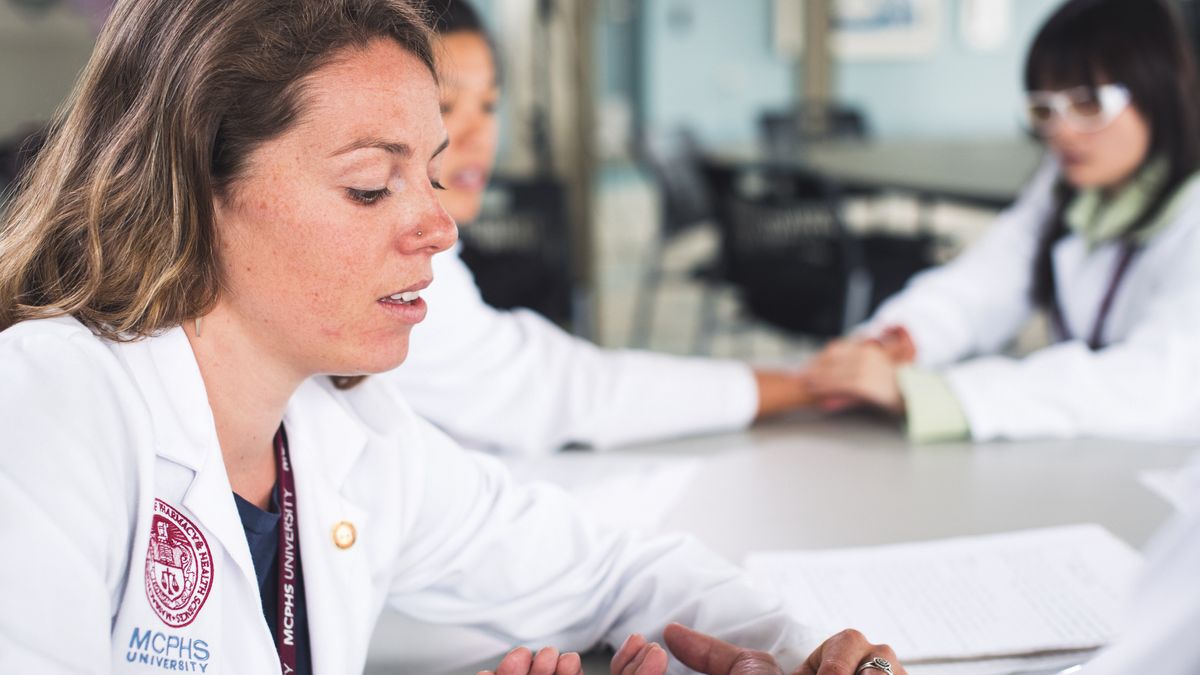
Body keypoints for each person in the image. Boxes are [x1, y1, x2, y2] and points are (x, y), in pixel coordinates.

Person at [0, 1, 900, 674]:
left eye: (430, 175)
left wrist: (805, 649)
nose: (440, 226)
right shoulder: (44, 410)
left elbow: (613, 569)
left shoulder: (340, 430)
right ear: (195, 185)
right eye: (369, 186)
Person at [383, 0, 812, 457]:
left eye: (489, 105)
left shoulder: (432, 260)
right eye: (444, 106)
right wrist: (807, 386)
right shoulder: (389, 269)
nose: (478, 135)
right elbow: (554, 395)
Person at [802, 0, 1200, 444]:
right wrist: (901, 340)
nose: (1062, 131)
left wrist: (930, 393)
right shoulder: (1067, 186)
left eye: (1088, 104)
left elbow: (1157, 383)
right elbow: (985, 282)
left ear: (1163, 94)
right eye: (1045, 108)